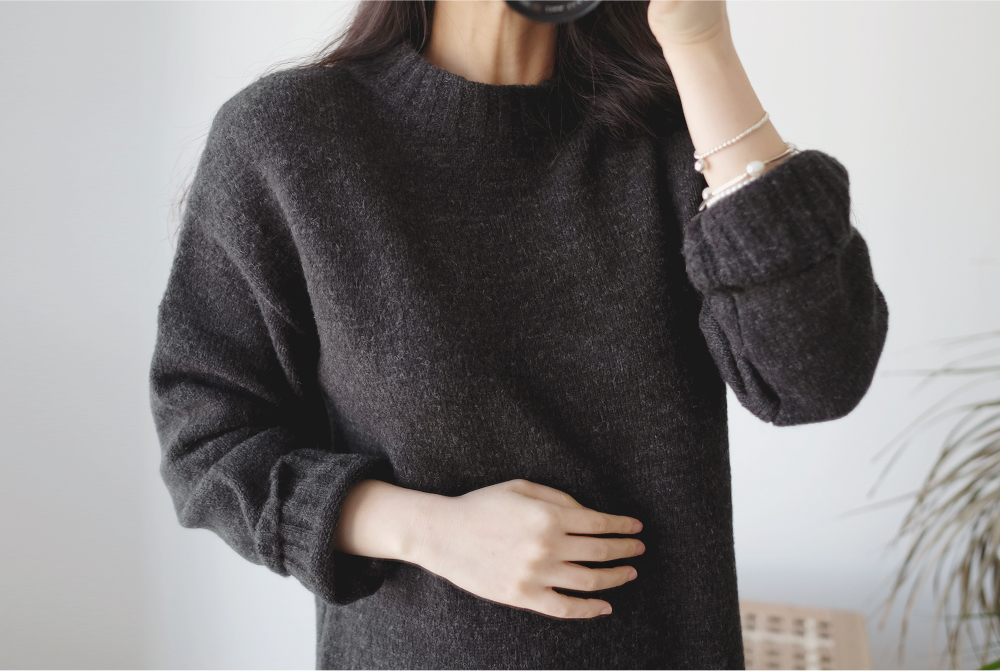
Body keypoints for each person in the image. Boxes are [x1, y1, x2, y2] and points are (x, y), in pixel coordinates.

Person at [148, 0, 889, 668]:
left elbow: (815, 377)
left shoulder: (678, 135)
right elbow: (206, 440)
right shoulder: (290, 139)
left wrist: (700, 43)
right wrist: (428, 529)